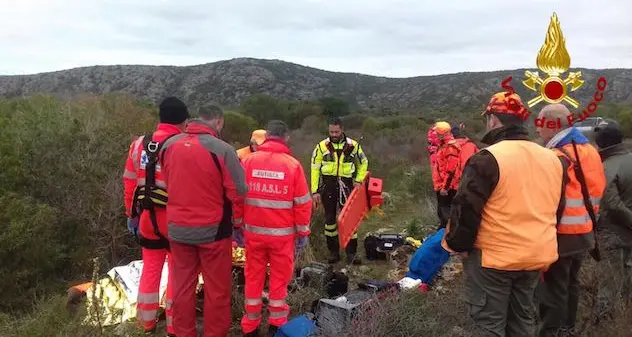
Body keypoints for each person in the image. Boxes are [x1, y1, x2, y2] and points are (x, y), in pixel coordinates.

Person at [442, 92, 567, 337]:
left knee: (489, 325)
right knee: (522, 322)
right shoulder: (554, 159)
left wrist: (458, 244)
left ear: (494, 120)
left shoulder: (487, 158)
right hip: (535, 256)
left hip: (493, 260)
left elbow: (466, 208)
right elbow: (557, 208)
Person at [160, 105, 247, 337]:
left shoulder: (168, 146)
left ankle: (183, 333)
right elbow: (238, 193)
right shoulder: (224, 150)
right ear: (218, 122)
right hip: (214, 233)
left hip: (178, 230)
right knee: (217, 291)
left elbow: (169, 182)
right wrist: (238, 224)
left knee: (181, 289)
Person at [535, 104, 606, 337]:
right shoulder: (590, 150)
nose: (537, 129)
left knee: (553, 289)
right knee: (571, 284)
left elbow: (546, 199)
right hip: (585, 232)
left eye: (540, 123)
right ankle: (569, 328)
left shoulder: (555, 156)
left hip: (562, 236)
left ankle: (550, 332)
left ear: (551, 123)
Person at [239, 120, 313, 337]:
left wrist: (236, 224)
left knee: (253, 277)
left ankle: (250, 325)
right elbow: (302, 203)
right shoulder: (292, 165)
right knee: (279, 280)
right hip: (282, 237)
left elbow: (237, 196)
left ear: (267, 135)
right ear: (286, 137)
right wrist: (303, 233)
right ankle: (276, 324)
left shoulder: (248, 161)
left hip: (253, 234)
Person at [123, 96, 189, 336]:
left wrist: (130, 215)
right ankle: (173, 326)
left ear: (160, 117)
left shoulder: (139, 144)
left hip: (147, 218)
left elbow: (130, 182)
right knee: (177, 272)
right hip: (175, 220)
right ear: (184, 121)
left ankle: (145, 324)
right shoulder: (183, 145)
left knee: (150, 270)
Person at [311, 117, 369, 264]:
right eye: (331, 131)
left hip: (347, 184)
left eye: (336, 131)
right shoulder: (321, 147)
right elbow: (315, 169)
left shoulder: (353, 146)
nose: (334, 134)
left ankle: (351, 253)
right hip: (328, 184)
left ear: (342, 129)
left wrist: (358, 179)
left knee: (350, 219)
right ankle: (333, 252)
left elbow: (364, 162)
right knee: (330, 220)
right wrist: (315, 191)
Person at [593, 120, 632, 316]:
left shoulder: (606, 167)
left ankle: (606, 322)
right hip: (626, 233)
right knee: (627, 277)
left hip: (612, 234)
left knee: (610, 282)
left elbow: (612, 204)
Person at [433, 121, 461, 229]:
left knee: (446, 213)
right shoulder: (443, 145)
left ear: (442, 133)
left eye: (437, 133)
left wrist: (445, 187)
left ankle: (447, 235)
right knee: (442, 211)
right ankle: (443, 233)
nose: (436, 135)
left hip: (448, 187)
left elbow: (451, 169)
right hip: (441, 185)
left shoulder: (451, 147)